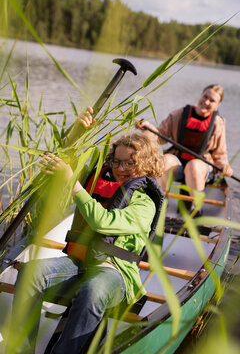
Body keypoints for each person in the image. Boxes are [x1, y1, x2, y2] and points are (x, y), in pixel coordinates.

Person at [6, 108, 164, 354]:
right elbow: (61, 162)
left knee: (93, 290)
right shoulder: (98, 181)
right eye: (117, 161)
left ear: (145, 163)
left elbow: (104, 222)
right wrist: (77, 133)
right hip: (78, 263)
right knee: (30, 272)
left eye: (130, 163)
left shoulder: (145, 202)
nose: (121, 168)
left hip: (115, 274)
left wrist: (73, 184)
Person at [136, 84, 233, 199]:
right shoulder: (179, 114)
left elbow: (220, 153)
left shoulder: (218, 123)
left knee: (193, 166)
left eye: (212, 100)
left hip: (201, 166)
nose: (206, 102)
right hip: (178, 163)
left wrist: (225, 166)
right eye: (205, 97)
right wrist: (147, 127)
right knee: (165, 160)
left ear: (218, 104)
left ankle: (196, 209)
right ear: (201, 95)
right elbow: (160, 136)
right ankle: (159, 202)